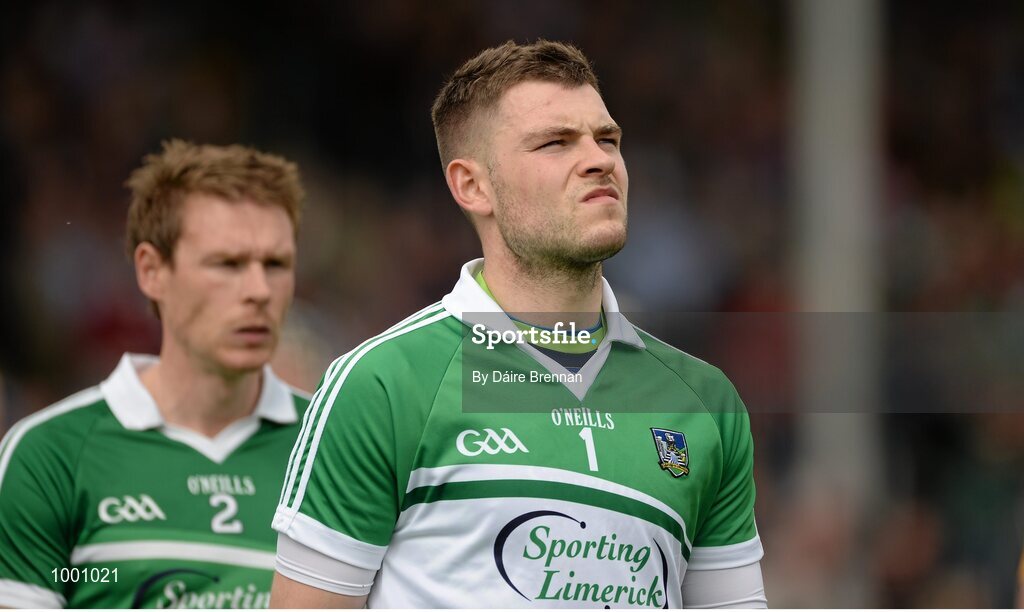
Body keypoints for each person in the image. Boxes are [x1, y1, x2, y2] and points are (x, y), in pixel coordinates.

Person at [270, 40, 766, 608]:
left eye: (608, 139)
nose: (599, 159)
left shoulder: (706, 401)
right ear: (471, 186)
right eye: (556, 142)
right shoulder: (381, 383)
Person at [0, 140, 310, 608]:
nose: (259, 290)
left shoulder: (334, 446)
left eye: (276, 264)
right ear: (151, 271)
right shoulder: (48, 457)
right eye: (226, 264)